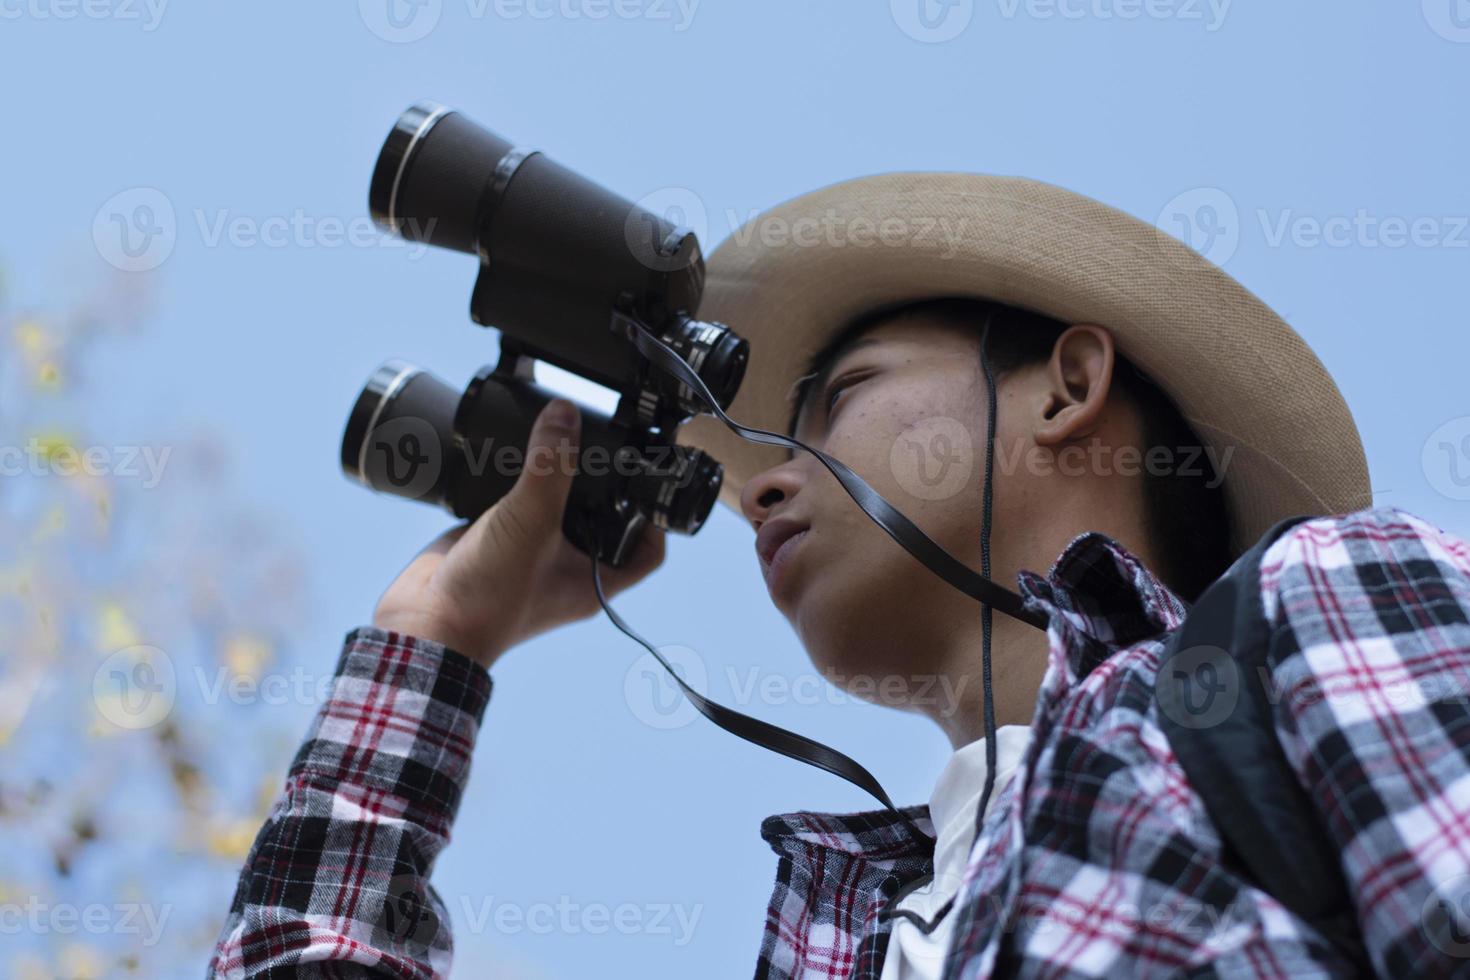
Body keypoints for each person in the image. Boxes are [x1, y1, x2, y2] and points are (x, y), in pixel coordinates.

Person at [209, 173, 1470, 978]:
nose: (762, 479)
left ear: (1070, 387)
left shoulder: (1324, 597)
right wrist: (439, 635)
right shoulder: (853, 929)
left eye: (840, 401)